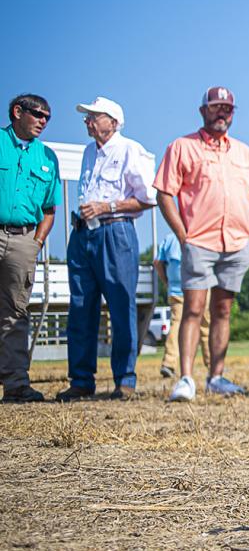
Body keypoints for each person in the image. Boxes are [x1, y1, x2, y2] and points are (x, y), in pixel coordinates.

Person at [153, 85, 249, 401]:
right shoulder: (182, 147)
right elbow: (164, 192)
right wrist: (181, 233)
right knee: (193, 307)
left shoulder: (245, 153)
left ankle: (216, 376)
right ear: (203, 111)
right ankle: (186, 378)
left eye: (227, 108)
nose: (222, 113)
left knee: (224, 309)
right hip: (199, 240)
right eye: (216, 107)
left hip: (236, 242)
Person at [58, 97, 155, 402]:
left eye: (93, 116)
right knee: (81, 307)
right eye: (86, 117)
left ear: (113, 122)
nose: (87, 121)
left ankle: (125, 379)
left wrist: (106, 206)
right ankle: (82, 380)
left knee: (121, 305)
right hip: (84, 234)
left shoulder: (130, 149)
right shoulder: (89, 152)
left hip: (116, 231)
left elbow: (148, 198)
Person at [0, 94, 58, 403]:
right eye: (38, 114)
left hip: (24, 240)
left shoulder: (47, 157)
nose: (43, 121)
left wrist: (34, 244)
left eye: (48, 117)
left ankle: (16, 385)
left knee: (16, 312)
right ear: (17, 112)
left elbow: (50, 209)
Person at [154, 228, 207, 380]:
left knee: (176, 324)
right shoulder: (199, 234)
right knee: (205, 324)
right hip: (199, 287)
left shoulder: (169, 238)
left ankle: (169, 363)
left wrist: (167, 281)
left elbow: (157, 262)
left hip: (176, 289)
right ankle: (212, 364)